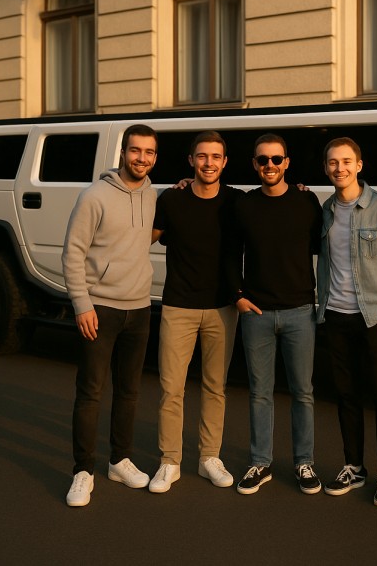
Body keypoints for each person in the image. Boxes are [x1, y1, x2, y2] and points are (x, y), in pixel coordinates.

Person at [62, 124, 158, 507]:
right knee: (90, 393)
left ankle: (120, 460)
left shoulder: (153, 195)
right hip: (99, 309)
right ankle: (83, 471)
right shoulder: (94, 196)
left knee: (130, 392)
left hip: (140, 308)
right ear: (123, 153)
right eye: (136, 151)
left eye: (149, 153)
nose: (142, 158)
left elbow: (142, 236)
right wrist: (82, 304)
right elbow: (72, 252)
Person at [316, 137, 377, 506]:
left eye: (346, 161)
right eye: (332, 163)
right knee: (345, 394)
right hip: (335, 316)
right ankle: (354, 467)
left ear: (359, 165)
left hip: (375, 318)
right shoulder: (325, 210)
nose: (339, 168)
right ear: (326, 168)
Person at [148, 131, 242, 493]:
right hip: (178, 306)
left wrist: (300, 190)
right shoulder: (172, 199)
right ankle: (169, 461)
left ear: (224, 162)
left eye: (215, 157)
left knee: (215, 387)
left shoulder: (236, 201)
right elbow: (141, 238)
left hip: (222, 308)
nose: (208, 163)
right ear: (191, 160)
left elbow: (272, 209)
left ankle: (208, 458)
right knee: (171, 388)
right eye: (202, 156)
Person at [231, 133, 323, 495]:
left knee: (303, 392)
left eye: (276, 159)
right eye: (262, 160)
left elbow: (323, 245)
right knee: (259, 393)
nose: (269, 165)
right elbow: (228, 252)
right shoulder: (244, 205)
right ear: (254, 164)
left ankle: (304, 463)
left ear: (287, 163)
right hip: (256, 312)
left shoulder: (307, 201)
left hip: (300, 310)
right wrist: (237, 296)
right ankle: (260, 462)